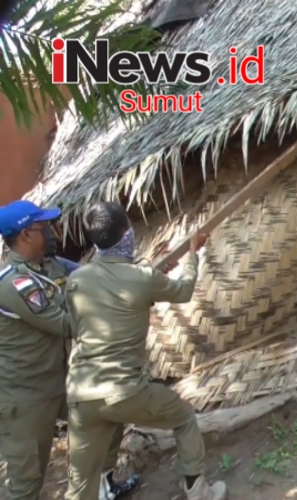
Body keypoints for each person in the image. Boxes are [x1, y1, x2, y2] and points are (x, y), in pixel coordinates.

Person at [62, 201, 226, 500]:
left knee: (80, 485)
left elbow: (79, 325)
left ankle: (99, 490)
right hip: (124, 390)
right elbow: (184, 290)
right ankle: (198, 491)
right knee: (183, 416)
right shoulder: (142, 277)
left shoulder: (77, 280)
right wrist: (192, 254)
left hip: (80, 394)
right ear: (126, 233)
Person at [0, 200, 137, 500]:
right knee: (27, 482)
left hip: (61, 379)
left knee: (109, 411)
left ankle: (103, 488)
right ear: (25, 235)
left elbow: (92, 276)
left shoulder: (51, 265)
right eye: (44, 226)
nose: (52, 232)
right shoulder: (13, 284)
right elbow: (66, 325)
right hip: (26, 397)